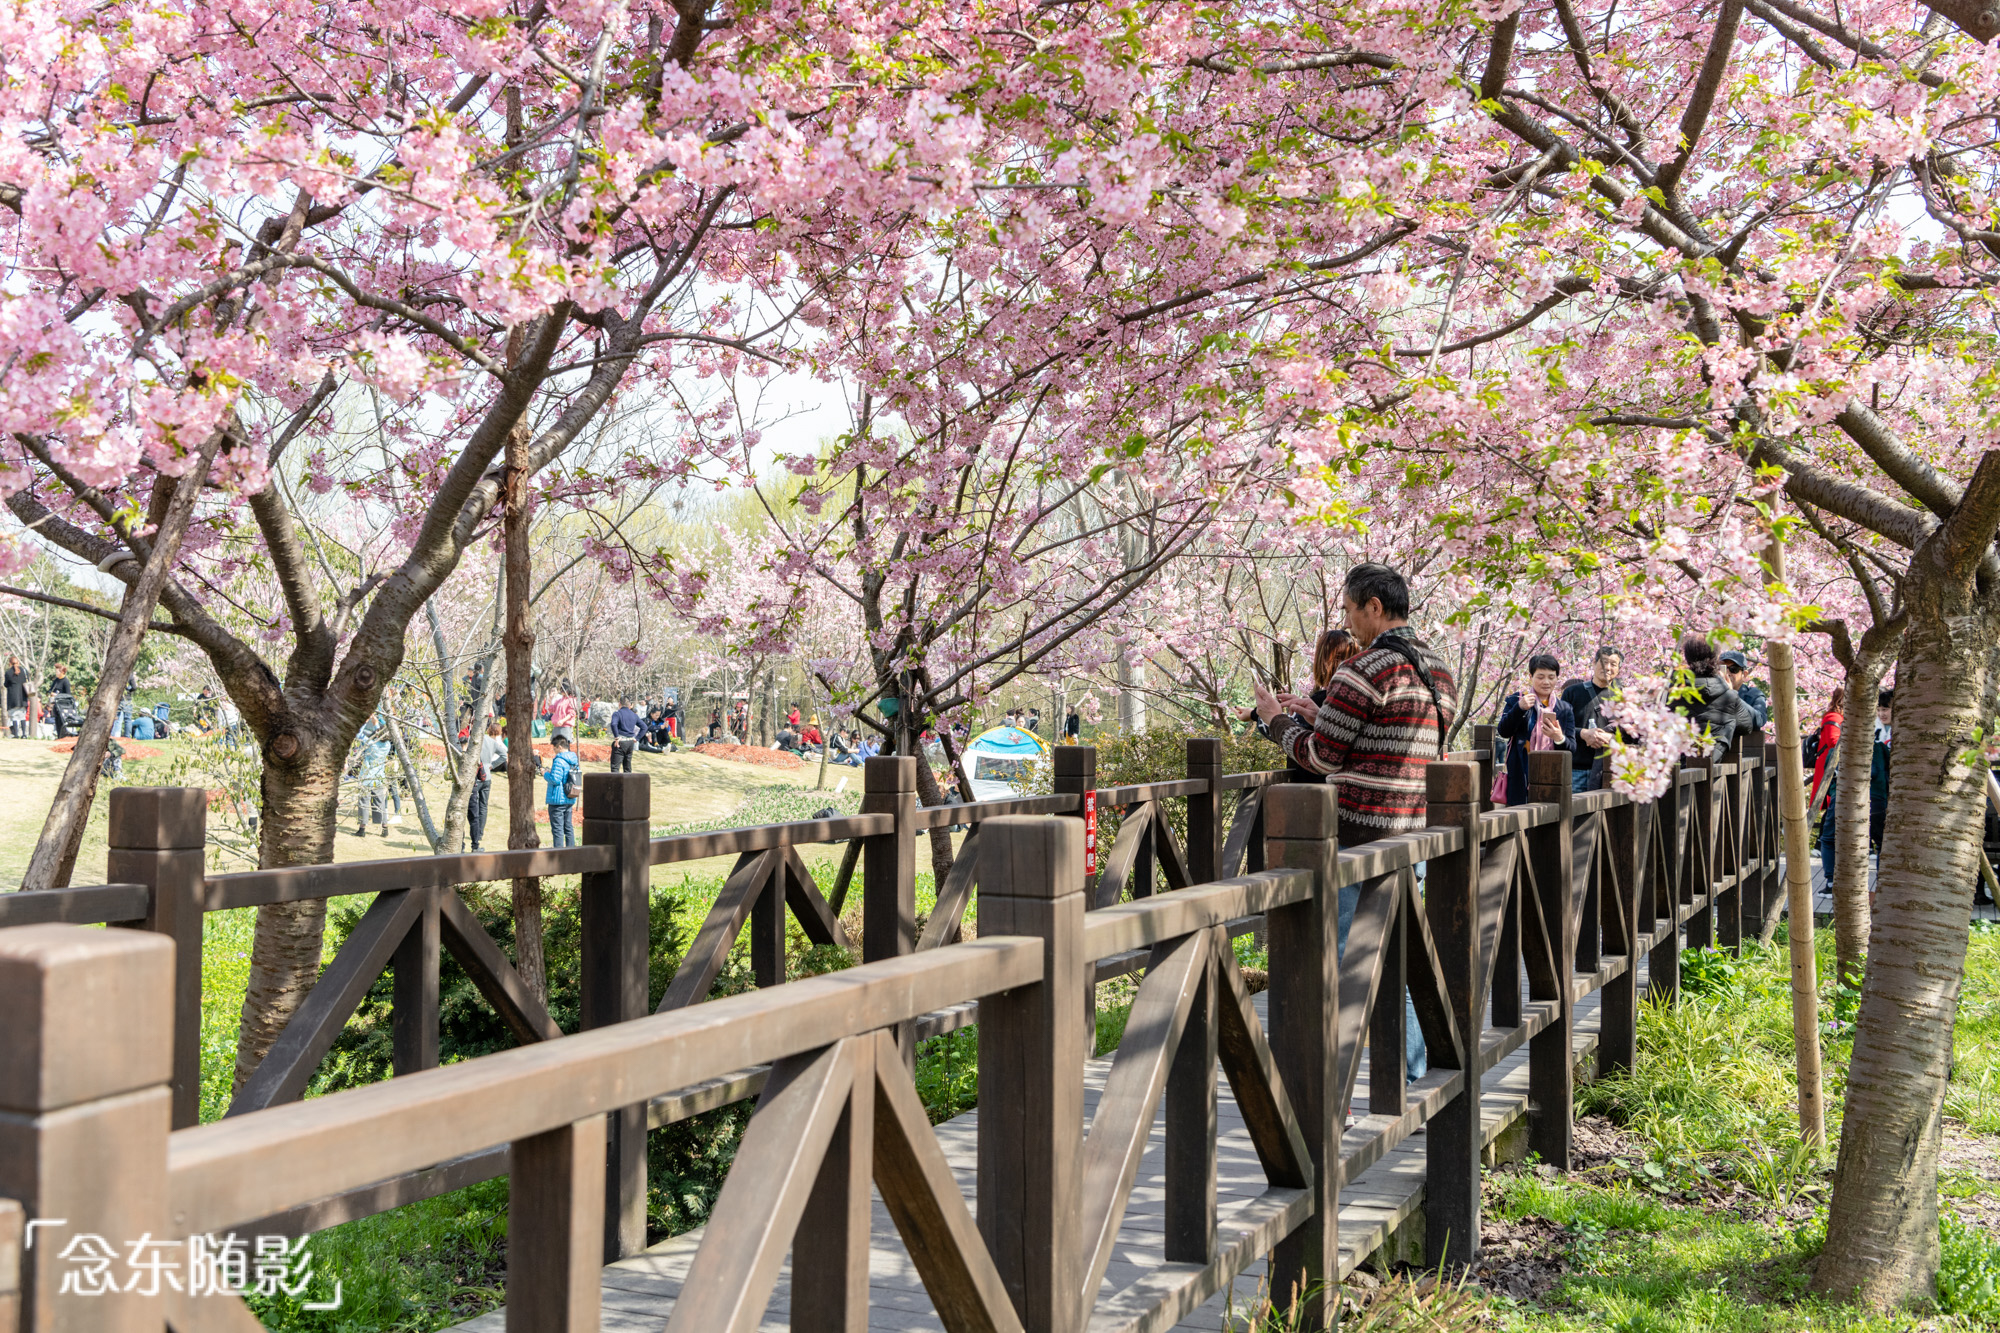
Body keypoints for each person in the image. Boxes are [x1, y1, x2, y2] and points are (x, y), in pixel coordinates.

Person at [1253, 562, 1456, 1083]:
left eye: (1348, 609)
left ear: (1373, 607)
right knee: (1401, 957)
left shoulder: (1362, 671)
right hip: (1413, 830)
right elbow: (1392, 737)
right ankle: (1411, 1070)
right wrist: (1320, 713)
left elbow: (1320, 758)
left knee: (1347, 957)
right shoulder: (1438, 669)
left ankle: (1324, 1084)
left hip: (1359, 833)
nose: (1347, 620)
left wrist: (1277, 721)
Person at [1497, 654, 1577, 806]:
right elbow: (1503, 731)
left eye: (1551, 677)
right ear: (1531, 676)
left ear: (1556, 678)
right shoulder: (1517, 700)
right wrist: (1519, 708)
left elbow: (1572, 748)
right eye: (1540, 677)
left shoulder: (1564, 709)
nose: (1546, 682)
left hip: (1552, 776)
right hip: (1521, 773)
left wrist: (1559, 737)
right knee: (1519, 822)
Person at [1671, 636, 1750, 759]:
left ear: (1687, 658)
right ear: (1716, 659)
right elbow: (1747, 726)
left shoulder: (1670, 690)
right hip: (1707, 772)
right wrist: (1730, 691)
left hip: (1668, 770)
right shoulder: (1728, 696)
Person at [1561, 647, 1623, 793]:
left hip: (1611, 772)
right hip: (1576, 771)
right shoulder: (1573, 692)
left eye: (1613, 664)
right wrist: (1583, 733)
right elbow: (1560, 728)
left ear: (1619, 669)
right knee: (1573, 815)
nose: (1608, 667)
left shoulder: (1624, 697)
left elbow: (1633, 735)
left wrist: (1612, 737)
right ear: (1594, 663)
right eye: (1603, 662)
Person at [1811, 686, 1845, 885]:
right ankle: (1819, 843)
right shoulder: (1833, 717)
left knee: (1831, 808)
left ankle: (1819, 842)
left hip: (1833, 768)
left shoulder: (1836, 717)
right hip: (1829, 768)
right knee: (1830, 807)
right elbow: (1833, 740)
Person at [352, 717, 393, 836]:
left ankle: (362, 829)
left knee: (363, 804)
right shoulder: (387, 746)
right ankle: (385, 828)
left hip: (366, 778)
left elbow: (358, 734)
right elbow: (381, 733)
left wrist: (364, 722)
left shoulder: (371, 744)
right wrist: (375, 723)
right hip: (379, 778)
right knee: (380, 805)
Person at [469, 720, 506, 852]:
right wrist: (492, 765)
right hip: (487, 776)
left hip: (476, 776)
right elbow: (504, 755)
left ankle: (475, 832)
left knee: (475, 806)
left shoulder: (472, 740)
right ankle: (480, 832)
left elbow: (504, 755)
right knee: (483, 806)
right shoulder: (491, 741)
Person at [1719, 651, 1769, 729]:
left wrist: (1732, 696)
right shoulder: (1711, 693)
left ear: (1744, 675)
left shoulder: (1755, 695)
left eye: (1733, 669)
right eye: (1723, 669)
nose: (1727, 673)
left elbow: (1760, 720)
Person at [1870, 688, 1893, 851]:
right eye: (1878, 710)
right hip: (1878, 785)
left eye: (1885, 709)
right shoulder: (1874, 729)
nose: (1881, 714)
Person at [609, 696, 641, 772]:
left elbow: (613, 724)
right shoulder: (634, 715)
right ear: (630, 705)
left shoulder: (617, 714)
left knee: (615, 768)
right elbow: (644, 727)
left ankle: (615, 784)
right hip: (630, 742)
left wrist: (616, 737)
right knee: (627, 767)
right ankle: (628, 784)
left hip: (620, 741)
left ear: (619, 703)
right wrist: (637, 738)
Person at [45, 662, 74, 739]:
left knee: (62, 721)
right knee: (57, 721)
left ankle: (63, 736)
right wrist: (50, 693)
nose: (56, 673)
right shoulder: (56, 680)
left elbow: (68, 695)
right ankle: (58, 736)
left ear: (62, 672)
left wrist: (58, 695)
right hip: (56, 704)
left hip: (63, 705)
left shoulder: (65, 681)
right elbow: (50, 690)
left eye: (57, 671)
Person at [3, 655, 28, 739]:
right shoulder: (24, 671)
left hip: (13, 698)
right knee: (22, 716)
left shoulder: (8, 673)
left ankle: (16, 734)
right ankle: (24, 734)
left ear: (10, 663)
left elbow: (5, 684)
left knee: (14, 717)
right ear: (18, 662)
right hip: (23, 697)